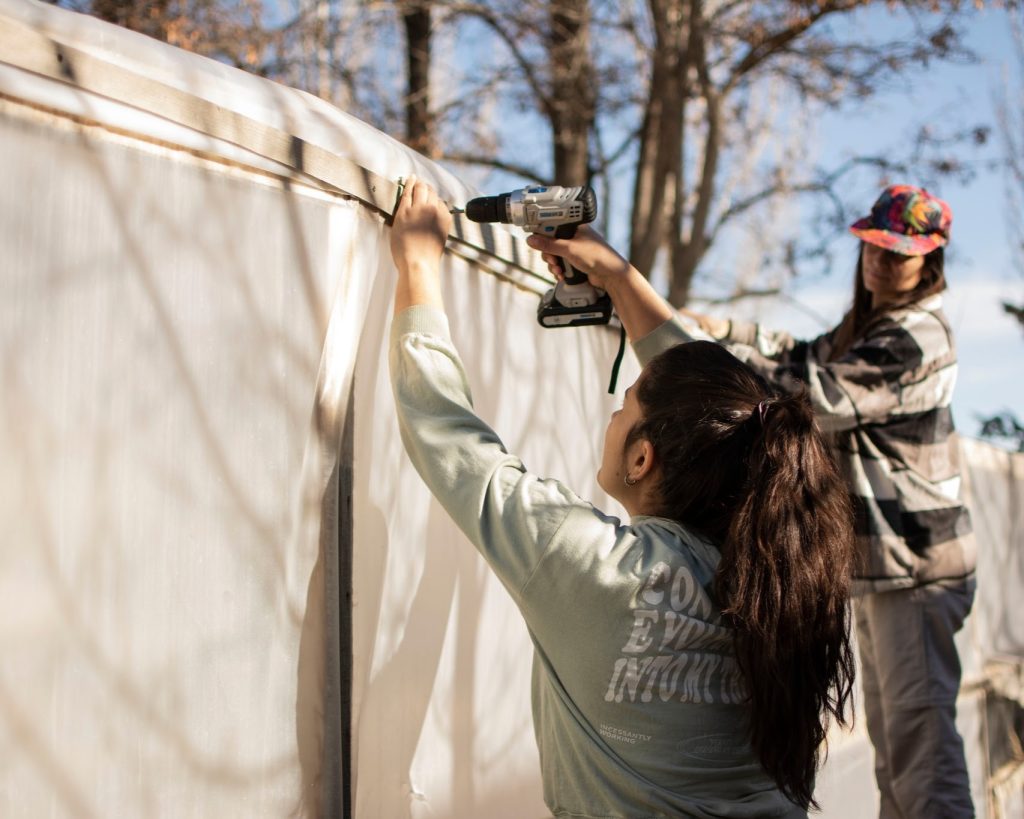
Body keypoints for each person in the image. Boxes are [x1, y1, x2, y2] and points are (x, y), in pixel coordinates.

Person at [388, 175, 857, 817]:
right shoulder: (781, 575)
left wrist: (416, 268)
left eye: (626, 403)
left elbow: (448, 438)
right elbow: (734, 413)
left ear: (643, 458)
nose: (615, 409)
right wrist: (616, 275)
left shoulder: (594, 569)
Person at [581, 184, 975, 819]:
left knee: (922, 755)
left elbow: (812, 395)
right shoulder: (864, 328)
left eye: (896, 254)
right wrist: (715, 328)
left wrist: (691, 351)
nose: (879, 261)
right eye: (872, 246)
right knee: (898, 752)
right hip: (887, 570)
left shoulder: (918, 334)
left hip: (918, 571)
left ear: (928, 263)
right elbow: (797, 352)